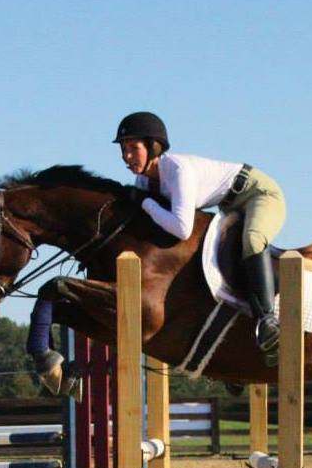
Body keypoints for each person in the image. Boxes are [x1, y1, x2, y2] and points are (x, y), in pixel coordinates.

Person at [114, 111, 286, 366]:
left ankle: (268, 320)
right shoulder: (143, 181)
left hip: (258, 193)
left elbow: (182, 228)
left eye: (133, 148)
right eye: (123, 149)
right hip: (229, 206)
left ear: (153, 147)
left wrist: (146, 203)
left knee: (252, 240)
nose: (127, 157)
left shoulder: (177, 171)